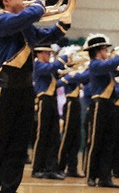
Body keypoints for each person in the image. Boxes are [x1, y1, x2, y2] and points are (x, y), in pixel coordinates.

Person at [0, 0, 69, 193]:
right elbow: (28, 16)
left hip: (27, 90)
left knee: (19, 147)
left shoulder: (25, 24)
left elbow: (45, 36)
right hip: (7, 89)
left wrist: (63, 23)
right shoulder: (0, 21)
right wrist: (39, 5)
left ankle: (10, 189)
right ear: (6, 0)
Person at [82, 34, 119, 188]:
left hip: (110, 105)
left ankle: (105, 177)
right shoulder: (95, 64)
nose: (107, 52)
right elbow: (110, 65)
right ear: (98, 51)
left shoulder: (105, 66)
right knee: (96, 141)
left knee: (109, 143)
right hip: (99, 105)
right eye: (105, 49)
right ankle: (91, 176)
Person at [31, 44, 68, 180]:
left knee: (54, 137)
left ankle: (50, 168)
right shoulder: (38, 65)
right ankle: (37, 168)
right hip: (43, 102)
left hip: (51, 101)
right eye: (47, 53)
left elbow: (55, 82)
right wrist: (64, 58)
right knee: (42, 136)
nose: (49, 56)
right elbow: (53, 67)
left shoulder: (47, 68)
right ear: (40, 53)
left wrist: (67, 76)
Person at [58, 64, 88, 178]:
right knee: (67, 136)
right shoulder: (70, 75)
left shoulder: (75, 75)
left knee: (76, 138)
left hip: (76, 104)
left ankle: (72, 168)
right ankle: (59, 166)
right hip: (70, 103)